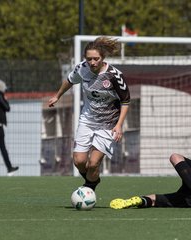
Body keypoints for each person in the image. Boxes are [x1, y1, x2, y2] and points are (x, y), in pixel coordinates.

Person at [48, 36, 130, 191]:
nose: (92, 62)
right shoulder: (82, 68)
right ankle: (92, 181)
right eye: (89, 59)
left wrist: (119, 126)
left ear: (103, 57)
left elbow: (126, 101)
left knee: (93, 163)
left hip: (108, 123)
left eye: (96, 59)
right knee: (79, 161)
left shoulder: (114, 75)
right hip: (87, 120)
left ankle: (89, 188)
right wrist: (57, 95)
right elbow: (69, 80)